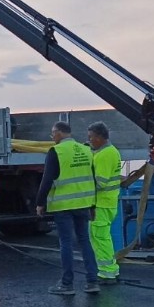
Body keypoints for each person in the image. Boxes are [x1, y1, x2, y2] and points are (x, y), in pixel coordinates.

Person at [36, 122, 99, 295]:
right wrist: (93, 205)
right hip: (84, 203)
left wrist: (40, 203)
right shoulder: (86, 150)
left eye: (52, 134)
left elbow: (47, 180)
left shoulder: (56, 151)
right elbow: (92, 179)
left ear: (58, 133)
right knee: (85, 241)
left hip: (63, 206)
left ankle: (67, 284)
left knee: (66, 243)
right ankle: (93, 281)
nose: (52, 137)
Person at [88, 122, 122, 284]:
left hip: (102, 203)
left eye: (92, 137)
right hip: (107, 202)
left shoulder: (105, 155)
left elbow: (99, 182)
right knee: (102, 237)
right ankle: (111, 270)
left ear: (100, 137)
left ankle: (107, 273)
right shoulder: (107, 152)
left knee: (100, 238)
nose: (90, 141)